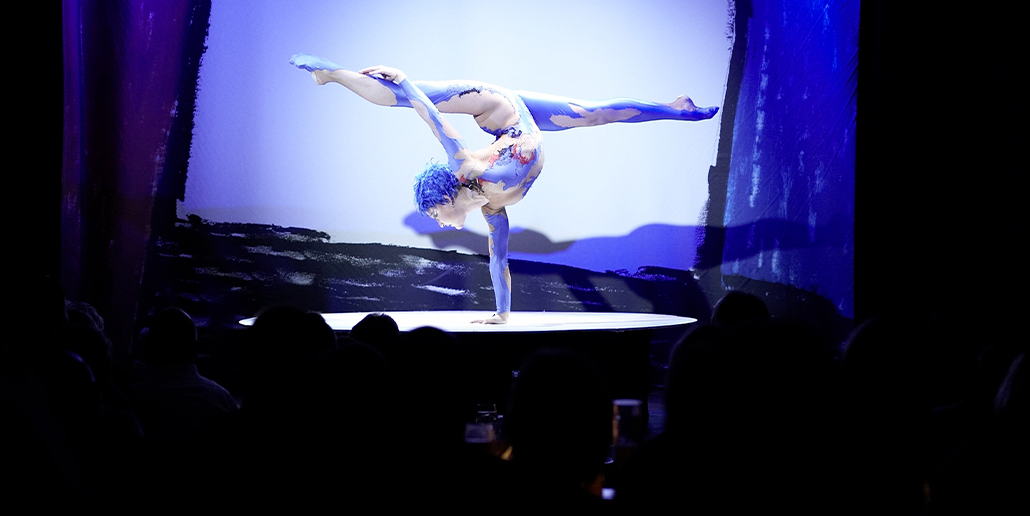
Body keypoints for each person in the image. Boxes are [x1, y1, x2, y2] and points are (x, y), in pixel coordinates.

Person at [290, 54, 717, 323]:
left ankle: (330, 72)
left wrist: (405, 80)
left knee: (401, 97)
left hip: (497, 105)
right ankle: (334, 74)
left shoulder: (467, 166)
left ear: (446, 197)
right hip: (523, 121)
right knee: (592, 114)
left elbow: (433, 120)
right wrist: (501, 313)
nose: (441, 223)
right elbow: (499, 261)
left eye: (436, 214)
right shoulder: (492, 211)